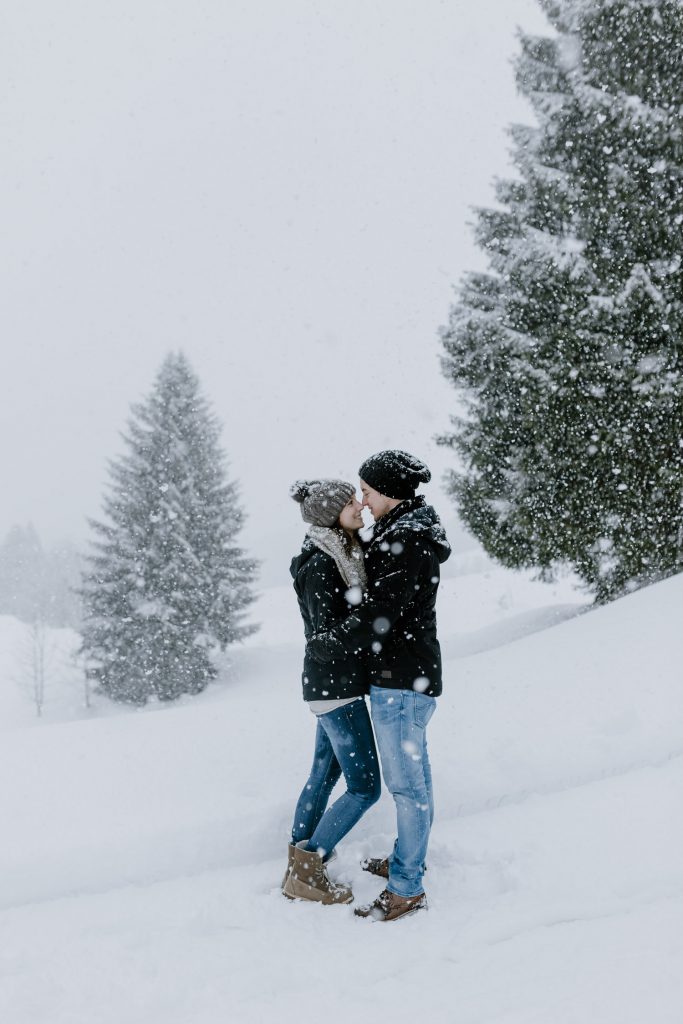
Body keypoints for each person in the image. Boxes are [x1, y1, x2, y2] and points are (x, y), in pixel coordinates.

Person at [308, 450, 450, 922]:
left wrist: (328, 646)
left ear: (388, 491)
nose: (363, 501)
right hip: (406, 676)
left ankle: (406, 887)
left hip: (402, 681)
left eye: (367, 491)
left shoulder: (407, 542)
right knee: (417, 780)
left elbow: (378, 617)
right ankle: (408, 861)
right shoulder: (401, 533)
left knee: (407, 789)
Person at [282, 478, 381, 905]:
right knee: (365, 786)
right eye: (350, 503)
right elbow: (323, 638)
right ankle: (308, 869)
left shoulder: (333, 552)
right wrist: (372, 620)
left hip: (330, 687)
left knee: (324, 775)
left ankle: (298, 864)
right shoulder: (322, 564)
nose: (360, 506)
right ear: (329, 515)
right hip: (335, 687)